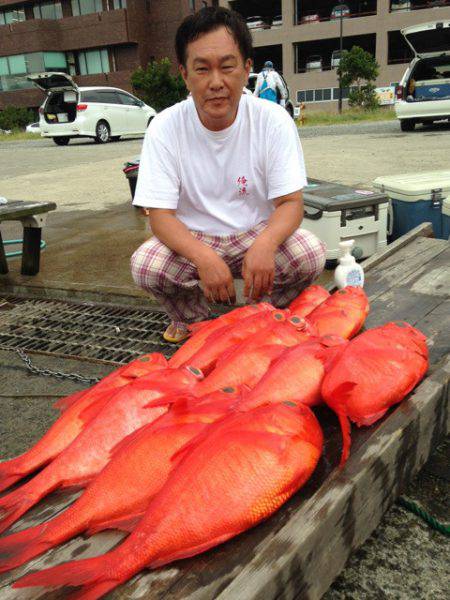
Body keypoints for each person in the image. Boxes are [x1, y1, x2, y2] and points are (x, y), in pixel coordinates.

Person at [131, 7, 326, 343]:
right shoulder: (165, 126)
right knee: (146, 265)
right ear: (184, 74)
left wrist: (266, 243)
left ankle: (263, 317)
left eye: (227, 66)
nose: (216, 82)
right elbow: (160, 216)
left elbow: (292, 203)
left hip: (255, 231)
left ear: (247, 67)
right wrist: (203, 256)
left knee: (310, 254)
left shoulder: (273, 120)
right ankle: (194, 322)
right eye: (202, 69)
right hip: (195, 237)